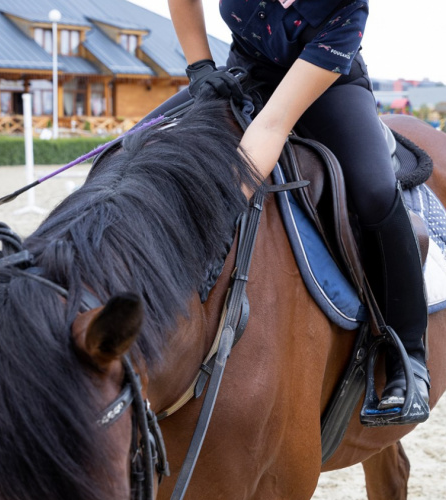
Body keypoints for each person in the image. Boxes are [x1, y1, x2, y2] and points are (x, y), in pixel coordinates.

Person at [165, 0, 430, 425]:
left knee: (376, 191)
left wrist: (217, 214)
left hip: (327, 86)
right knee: (137, 150)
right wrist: (199, 66)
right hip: (246, 71)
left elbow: (272, 125)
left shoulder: (346, 8)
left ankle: (409, 356)